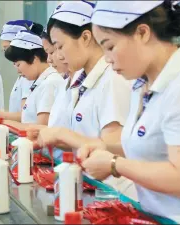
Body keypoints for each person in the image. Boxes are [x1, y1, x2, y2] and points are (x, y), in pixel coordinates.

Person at [77, 1, 180, 222]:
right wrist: (103, 146)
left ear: (142, 33)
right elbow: (153, 144)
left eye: (110, 47)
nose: (107, 59)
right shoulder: (142, 84)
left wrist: (114, 164)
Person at [34, 1, 135, 194]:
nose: (59, 56)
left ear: (86, 37)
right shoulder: (82, 80)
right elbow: (84, 136)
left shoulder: (112, 78)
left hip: (111, 193)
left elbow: (111, 147)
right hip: (88, 186)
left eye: (60, 46)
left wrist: (62, 134)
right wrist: (49, 135)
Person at [0, 30, 64, 130]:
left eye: (18, 65)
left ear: (34, 59)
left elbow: (40, 129)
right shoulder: (39, 82)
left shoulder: (50, 83)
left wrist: (2, 122)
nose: (18, 71)